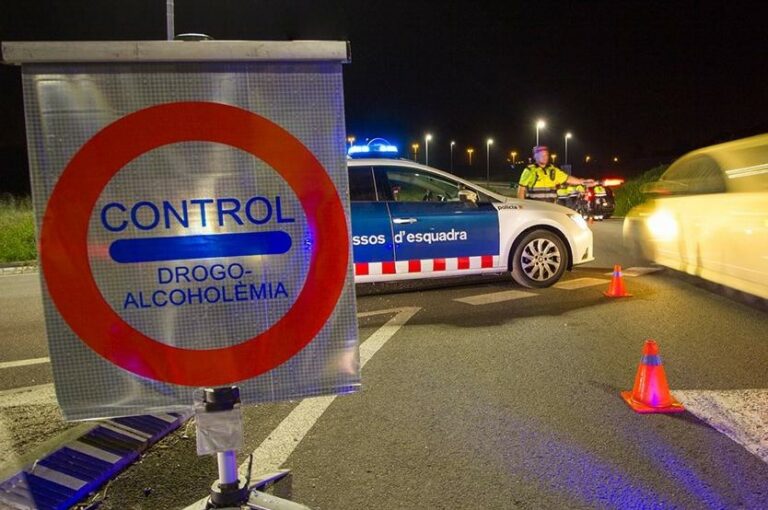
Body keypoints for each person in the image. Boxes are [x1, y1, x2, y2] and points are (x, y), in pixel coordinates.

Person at [517, 145, 593, 202]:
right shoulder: (530, 170)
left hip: (551, 208)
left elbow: (568, 178)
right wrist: (522, 205)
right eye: (542, 155)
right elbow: (521, 190)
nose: (545, 157)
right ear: (535, 156)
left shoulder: (553, 170)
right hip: (535, 208)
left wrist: (583, 182)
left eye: (546, 155)